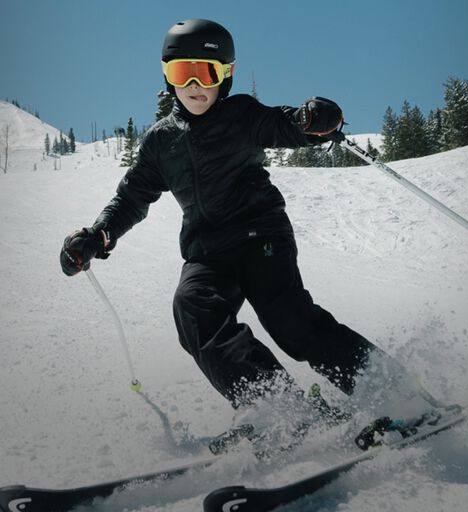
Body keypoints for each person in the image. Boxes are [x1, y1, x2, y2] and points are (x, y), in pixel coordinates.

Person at [60, 19, 423, 418]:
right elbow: (131, 198)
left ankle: (393, 390)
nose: (194, 85)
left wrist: (314, 121)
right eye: (182, 73)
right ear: (167, 77)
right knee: (192, 308)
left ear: (225, 75)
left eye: (205, 73)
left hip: (260, 236)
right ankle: (279, 409)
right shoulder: (161, 141)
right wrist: (97, 236)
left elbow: (285, 125)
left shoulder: (241, 115)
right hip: (207, 252)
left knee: (290, 323)